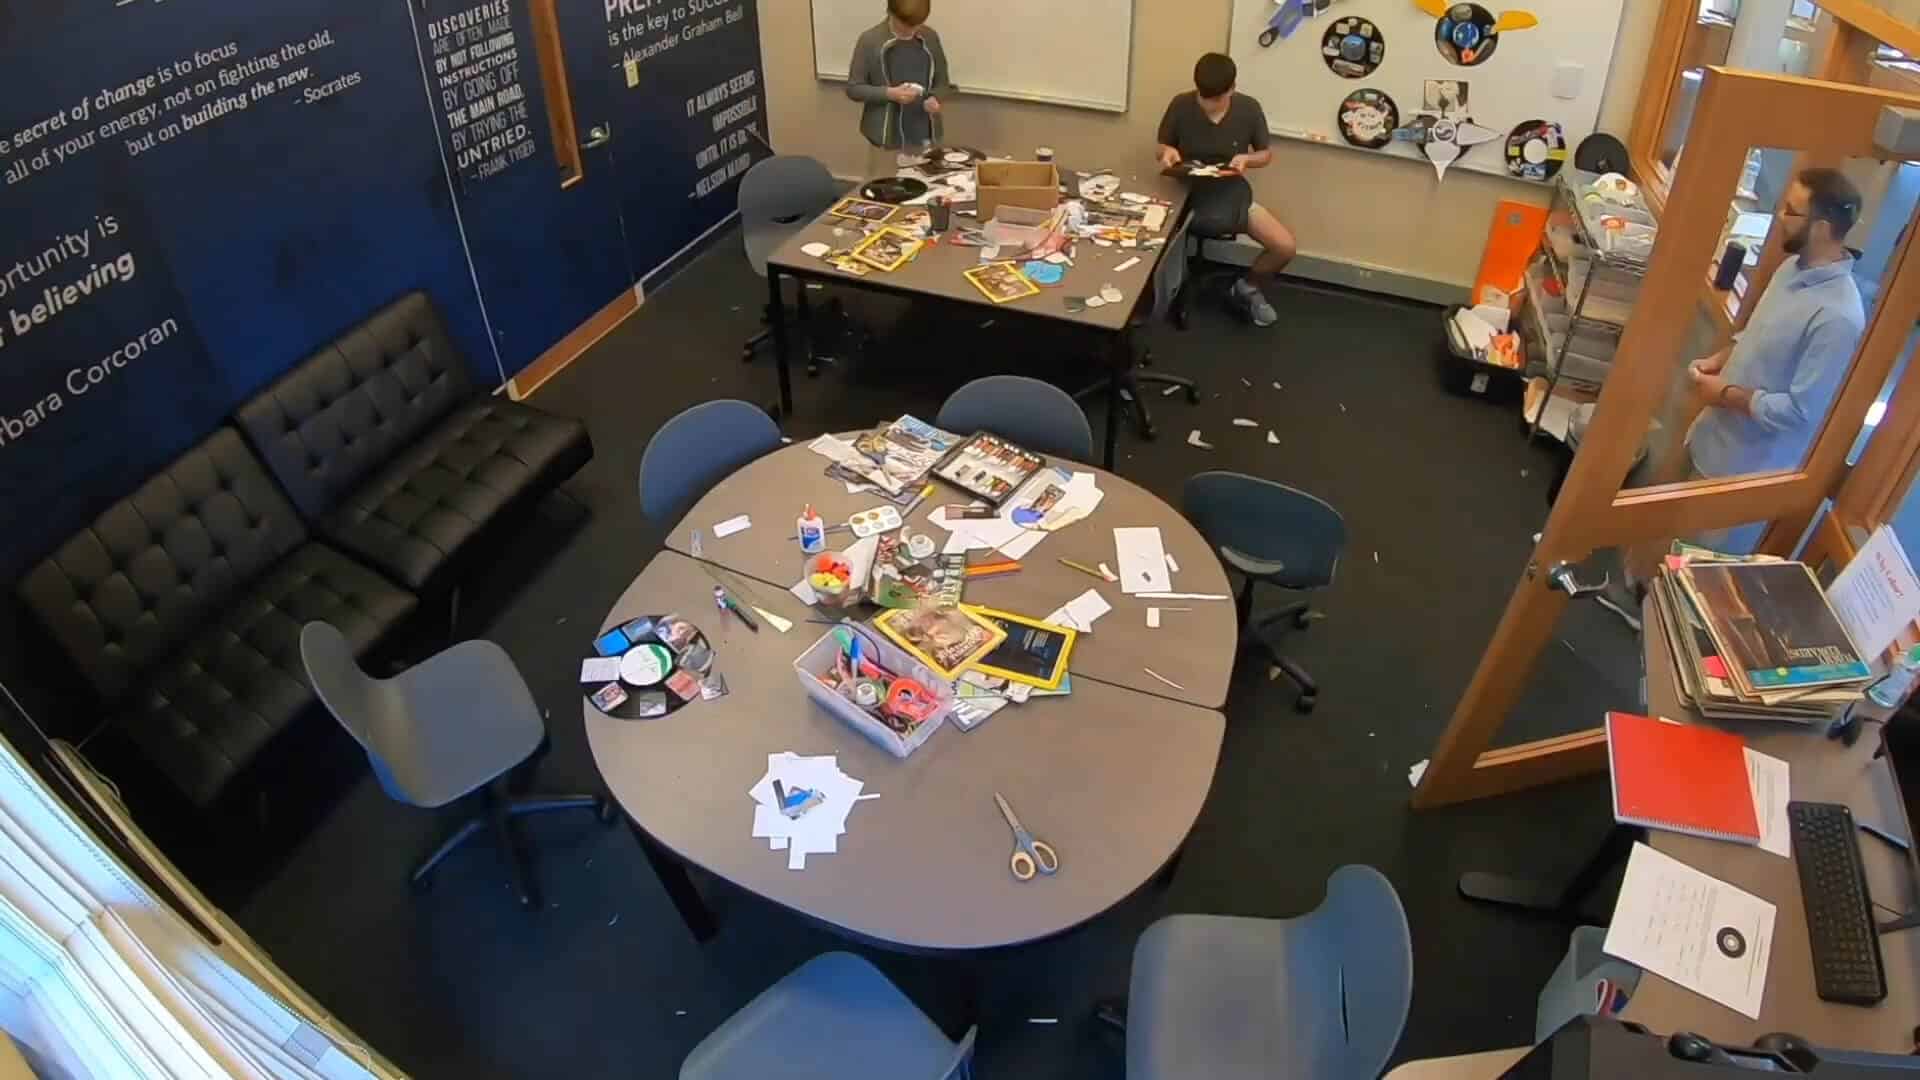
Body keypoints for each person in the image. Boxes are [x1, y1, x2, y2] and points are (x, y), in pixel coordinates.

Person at [1684, 167, 1866, 553]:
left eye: (1790, 210)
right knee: (1666, 543)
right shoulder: (1790, 268)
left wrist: (1727, 393)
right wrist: (1720, 358)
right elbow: (1758, 335)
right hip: (1710, 437)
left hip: (1741, 467)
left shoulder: (1838, 317)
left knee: (1690, 570)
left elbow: (1799, 411)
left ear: (1820, 227)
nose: (1780, 218)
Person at [1155, 52, 1297, 328]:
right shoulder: (1181, 104)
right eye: (1203, 97)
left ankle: (1247, 287)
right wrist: (1168, 151)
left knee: (1284, 247)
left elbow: (1265, 154)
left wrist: (1247, 159)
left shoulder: (1248, 108)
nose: (1208, 106)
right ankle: (1166, 292)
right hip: (1185, 191)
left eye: (1216, 100)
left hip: (1230, 192)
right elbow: (1161, 147)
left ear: (1232, 88)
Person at [846, 0, 954, 179]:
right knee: (884, 192)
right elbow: (854, 89)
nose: (910, 32)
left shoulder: (930, 37)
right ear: (890, 12)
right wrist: (889, 94)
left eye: (916, 26)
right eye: (904, 26)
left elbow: (943, 84)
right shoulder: (870, 40)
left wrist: (936, 98)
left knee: (926, 191)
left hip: (924, 134)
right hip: (886, 137)